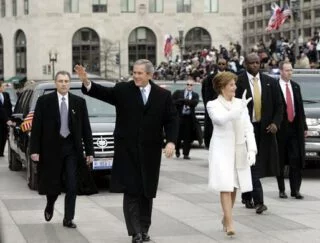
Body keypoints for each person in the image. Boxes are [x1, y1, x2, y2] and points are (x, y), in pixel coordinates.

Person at [75, 59, 178, 243]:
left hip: (150, 153)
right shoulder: (123, 90)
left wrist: (170, 141)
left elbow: (171, 120)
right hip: (127, 151)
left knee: (147, 192)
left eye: (140, 73)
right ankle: (135, 232)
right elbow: (103, 93)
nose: (136, 76)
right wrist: (86, 82)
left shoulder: (163, 95)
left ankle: (144, 228)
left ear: (149, 75)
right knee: (131, 191)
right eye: (134, 72)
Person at [30, 71, 94, 229]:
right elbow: (37, 127)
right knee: (53, 184)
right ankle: (50, 203)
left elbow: (86, 128)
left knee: (72, 185)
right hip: (51, 150)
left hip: (72, 149)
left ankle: (68, 218)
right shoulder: (44, 101)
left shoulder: (79, 102)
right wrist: (35, 150)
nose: (63, 84)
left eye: (66, 81)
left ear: (70, 83)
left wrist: (90, 152)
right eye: (60, 81)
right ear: (55, 82)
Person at [207, 72, 257, 236]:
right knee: (225, 185)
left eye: (235, 84)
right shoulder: (212, 104)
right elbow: (219, 120)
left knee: (234, 186)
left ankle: (226, 217)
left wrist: (252, 149)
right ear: (222, 87)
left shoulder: (240, 103)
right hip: (221, 149)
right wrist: (237, 110)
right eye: (231, 85)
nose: (235, 87)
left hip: (238, 148)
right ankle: (230, 222)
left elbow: (248, 128)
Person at [236, 53, 283, 214]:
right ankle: (259, 201)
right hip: (246, 128)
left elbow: (279, 105)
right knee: (252, 163)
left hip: (264, 129)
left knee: (256, 163)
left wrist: (276, 123)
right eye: (252, 63)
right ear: (246, 65)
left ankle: (248, 195)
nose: (255, 65)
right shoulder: (238, 81)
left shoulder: (270, 82)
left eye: (257, 62)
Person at [276, 61, 308, 199]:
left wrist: (304, 126)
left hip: (295, 128)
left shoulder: (295, 86)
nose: (290, 73)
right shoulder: (274, 87)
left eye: (291, 70)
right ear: (281, 71)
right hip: (280, 129)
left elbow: (300, 108)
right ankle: (282, 189)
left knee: (296, 159)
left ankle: (295, 190)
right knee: (281, 161)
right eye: (287, 70)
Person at [201, 58, 232, 148]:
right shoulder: (210, 78)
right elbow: (205, 94)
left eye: (223, 64)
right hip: (215, 107)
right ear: (217, 64)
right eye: (220, 64)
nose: (221, 65)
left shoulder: (232, 76)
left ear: (226, 64)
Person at [172, 79, 200, 159]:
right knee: (178, 136)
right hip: (179, 117)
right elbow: (173, 102)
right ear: (186, 85)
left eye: (191, 85)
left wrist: (183, 101)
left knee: (188, 137)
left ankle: (186, 154)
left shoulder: (195, 95)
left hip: (189, 118)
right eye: (188, 84)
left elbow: (194, 103)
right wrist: (185, 101)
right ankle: (177, 150)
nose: (189, 86)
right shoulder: (178, 92)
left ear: (193, 86)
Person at [0, 81, 13, 157]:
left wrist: (10, 118)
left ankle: (1, 152)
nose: (4, 88)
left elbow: (9, 107)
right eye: (2, 86)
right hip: (2, 119)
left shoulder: (6, 95)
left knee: (4, 135)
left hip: (5, 120)